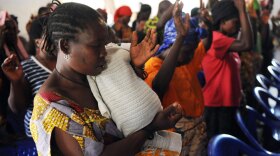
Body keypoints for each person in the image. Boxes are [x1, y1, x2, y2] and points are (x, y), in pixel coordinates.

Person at [30, 2, 183, 156]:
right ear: (65, 46)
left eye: (104, 45)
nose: (104, 53)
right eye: (96, 46)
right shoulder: (52, 108)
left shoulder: (94, 71)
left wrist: (133, 69)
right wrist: (150, 128)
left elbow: (133, 109)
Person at [144, 1, 212, 155]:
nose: (191, 56)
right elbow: (159, 87)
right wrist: (181, 38)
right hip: (176, 136)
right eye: (187, 51)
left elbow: (205, 45)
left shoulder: (185, 62)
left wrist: (209, 26)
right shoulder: (153, 65)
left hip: (197, 129)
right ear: (173, 45)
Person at [202, 0, 253, 140]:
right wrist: (243, 11)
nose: (237, 26)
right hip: (217, 106)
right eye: (234, 22)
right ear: (222, 22)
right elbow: (247, 44)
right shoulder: (218, 40)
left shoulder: (225, 40)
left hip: (227, 104)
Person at [1, 15, 56, 138]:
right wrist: (16, 82)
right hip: (41, 136)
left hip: (70, 131)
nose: (58, 40)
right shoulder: (27, 67)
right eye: (53, 36)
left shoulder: (68, 61)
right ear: (38, 41)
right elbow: (18, 108)